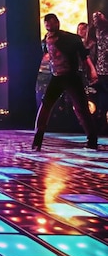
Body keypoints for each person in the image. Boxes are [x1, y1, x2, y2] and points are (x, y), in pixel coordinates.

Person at [32, 13, 98, 151]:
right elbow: (47, 58)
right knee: (45, 106)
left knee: (81, 108)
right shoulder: (45, 40)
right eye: (47, 23)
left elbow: (84, 57)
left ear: (57, 23)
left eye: (52, 22)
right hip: (56, 77)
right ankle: (37, 141)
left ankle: (92, 139)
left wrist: (91, 70)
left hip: (71, 77)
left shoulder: (70, 39)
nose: (49, 25)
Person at [89, 11, 108, 135]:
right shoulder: (93, 33)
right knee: (102, 99)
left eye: (98, 16)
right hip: (99, 71)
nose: (96, 18)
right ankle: (102, 127)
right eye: (94, 17)